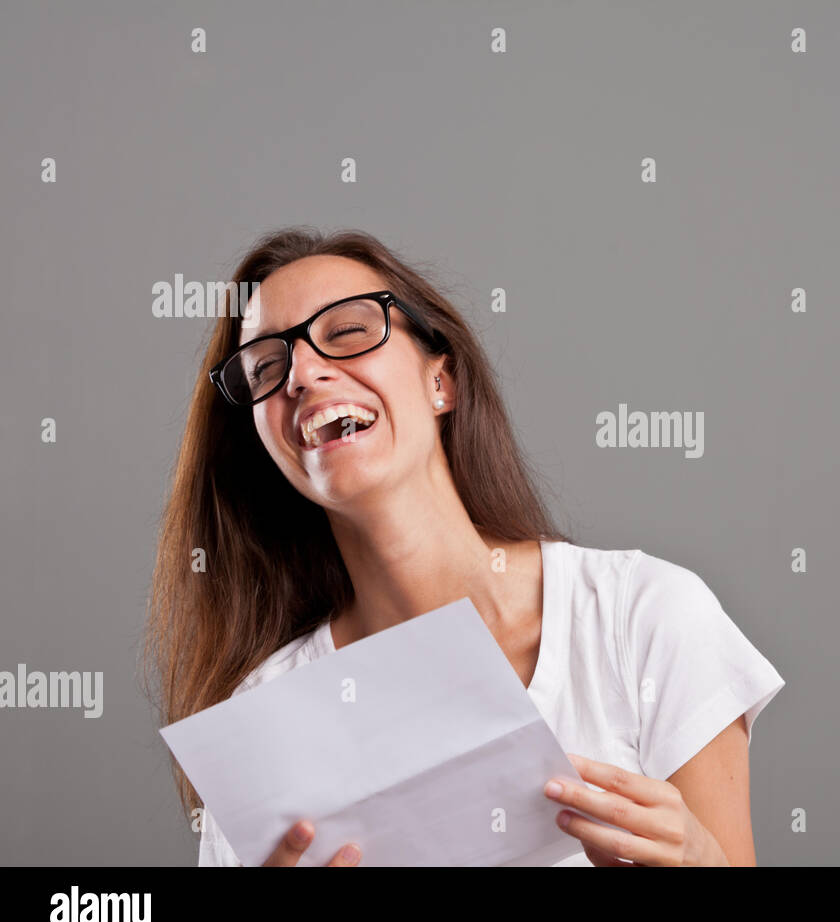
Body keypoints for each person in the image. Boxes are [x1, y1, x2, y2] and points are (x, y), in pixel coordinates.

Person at [145, 228, 784, 866]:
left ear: (440, 381)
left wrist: (704, 862)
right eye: (265, 367)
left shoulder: (639, 617)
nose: (303, 375)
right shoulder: (265, 724)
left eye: (346, 333)